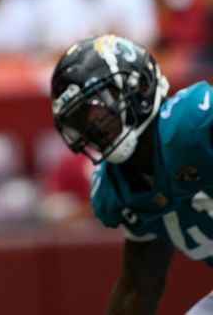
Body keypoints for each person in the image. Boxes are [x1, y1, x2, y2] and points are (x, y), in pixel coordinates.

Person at [50, 33, 213, 313]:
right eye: (81, 119)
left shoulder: (193, 124)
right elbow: (137, 290)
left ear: (140, 85)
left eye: (99, 105)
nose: (94, 126)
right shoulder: (119, 185)